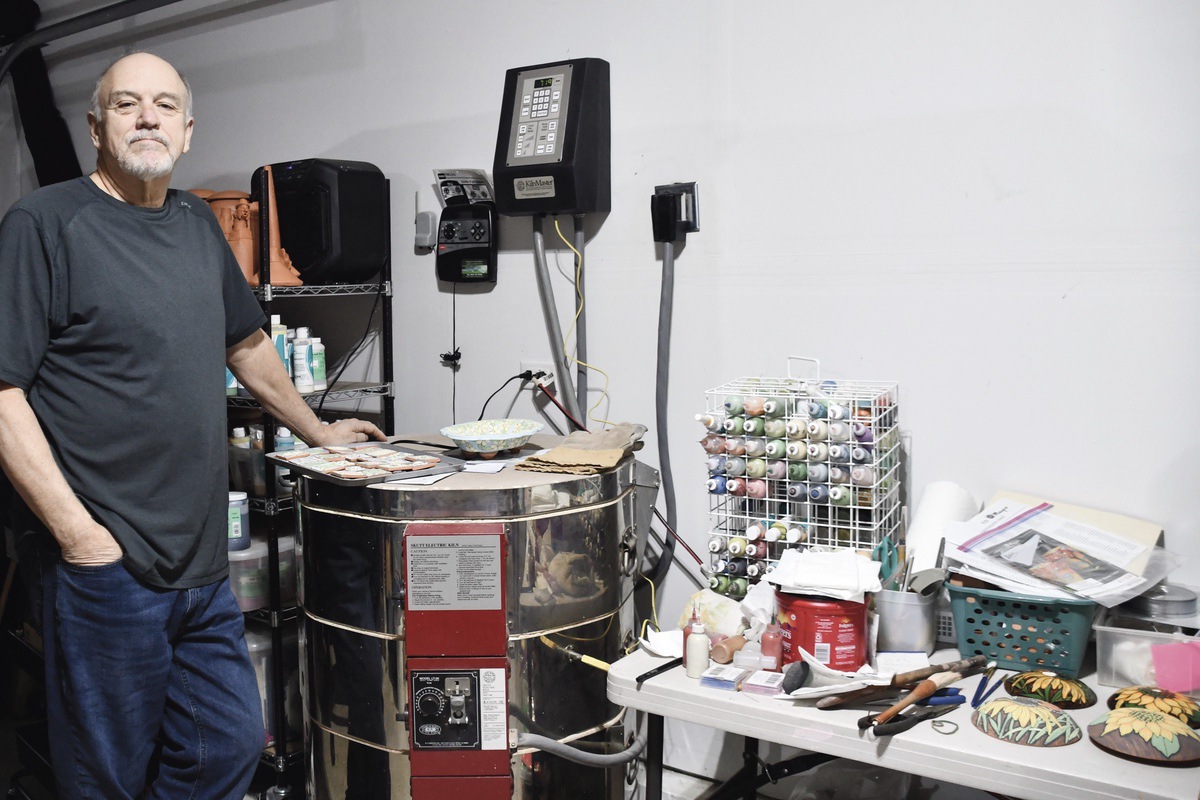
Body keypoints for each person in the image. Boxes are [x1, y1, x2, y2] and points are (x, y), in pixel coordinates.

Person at [0, 51, 385, 799]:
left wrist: (321, 434)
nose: (148, 117)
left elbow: (247, 346)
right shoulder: (44, 224)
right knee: (106, 774)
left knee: (227, 747)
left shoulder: (196, 226)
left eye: (166, 105)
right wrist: (81, 540)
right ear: (94, 126)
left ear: (186, 130)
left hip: (201, 567)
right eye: (127, 104)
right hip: (107, 570)